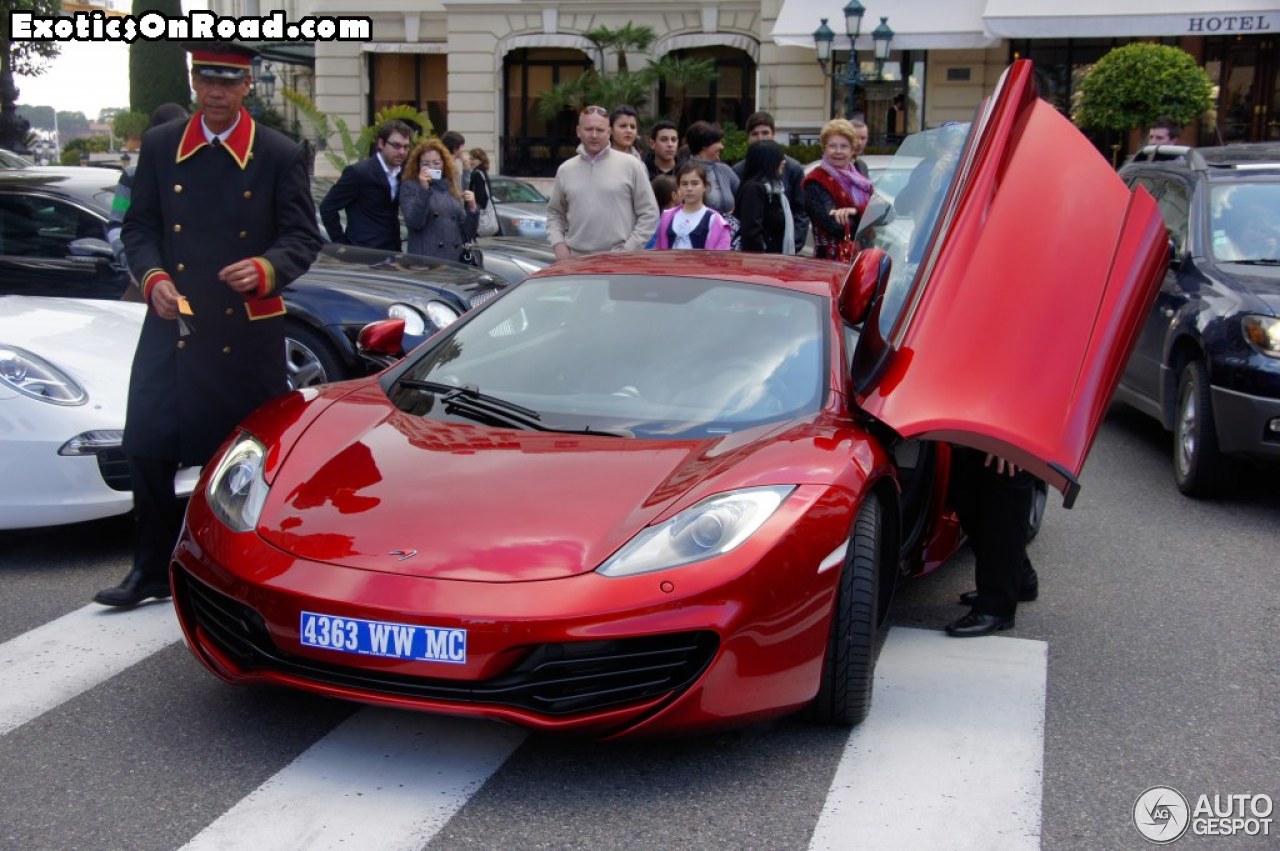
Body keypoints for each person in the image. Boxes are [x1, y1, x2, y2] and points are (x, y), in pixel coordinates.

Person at [94, 42, 322, 608]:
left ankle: (242, 572)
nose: (216, 92)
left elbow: (303, 238)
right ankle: (148, 569)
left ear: (247, 87)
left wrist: (266, 266)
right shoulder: (160, 145)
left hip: (242, 331)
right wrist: (152, 278)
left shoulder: (277, 152)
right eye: (206, 80)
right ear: (195, 83)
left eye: (228, 82)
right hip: (174, 322)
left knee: (247, 458)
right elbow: (139, 227)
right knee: (146, 444)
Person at [944, 449, 1039, 637]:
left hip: (1015, 427)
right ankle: (1020, 578)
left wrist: (1010, 438)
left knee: (1004, 487)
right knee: (965, 489)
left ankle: (996, 608)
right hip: (980, 427)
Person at [546, 105, 659, 261]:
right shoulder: (565, 170)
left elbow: (649, 214)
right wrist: (559, 246)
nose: (594, 135)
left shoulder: (632, 166)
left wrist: (627, 250)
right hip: (575, 264)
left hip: (619, 264)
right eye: (588, 129)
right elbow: (554, 213)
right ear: (578, 131)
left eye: (600, 130)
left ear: (609, 132)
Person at [107, 102, 189, 274]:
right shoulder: (132, 176)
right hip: (148, 274)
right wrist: (134, 265)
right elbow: (116, 225)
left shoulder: (197, 170)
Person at [319, 119, 411, 251]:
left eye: (406, 146)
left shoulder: (403, 174)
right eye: (396, 145)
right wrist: (341, 244)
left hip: (393, 252)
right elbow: (327, 208)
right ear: (381, 143)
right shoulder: (359, 172)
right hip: (362, 254)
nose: (402, 152)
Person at [733, 111, 809, 249]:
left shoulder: (793, 168)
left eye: (765, 133)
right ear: (748, 138)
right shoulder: (740, 172)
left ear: (774, 135)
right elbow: (749, 229)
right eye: (755, 134)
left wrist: (793, 245)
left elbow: (801, 210)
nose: (760, 138)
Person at [802, 118, 873, 260]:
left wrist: (855, 211)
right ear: (824, 148)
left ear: (853, 149)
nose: (838, 151)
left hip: (864, 258)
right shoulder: (815, 181)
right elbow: (836, 226)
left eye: (844, 146)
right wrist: (868, 214)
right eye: (832, 146)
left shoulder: (860, 178)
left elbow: (887, 213)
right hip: (831, 261)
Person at [400, 138, 479, 261]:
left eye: (436, 163)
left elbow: (466, 232)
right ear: (418, 165)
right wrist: (424, 190)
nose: (431, 167)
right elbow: (414, 222)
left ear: (444, 163)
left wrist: (473, 208)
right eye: (426, 164)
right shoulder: (410, 186)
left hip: (454, 261)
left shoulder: (451, 186)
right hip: (427, 263)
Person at [652, 162, 732, 250]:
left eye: (695, 183)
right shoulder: (667, 217)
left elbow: (722, 259)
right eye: (684, 184)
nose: (689, 188)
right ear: (678, 187)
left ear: (705, 186)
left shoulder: (716, 221)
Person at [734, 140, 795, 254]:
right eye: (779, 158)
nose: (784, 162)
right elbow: (751, 233)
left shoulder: (776, 190)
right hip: (762, 263)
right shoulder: (753, 190)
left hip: (776, 259)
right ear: (768, 161)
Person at [684, 120, 738, 218]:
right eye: (717, 142)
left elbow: (744, 197)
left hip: (727, 231)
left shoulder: (725, 170)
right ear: (704, 145)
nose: (722, 146)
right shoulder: (685, 172)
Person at [466, 146, 499, 237]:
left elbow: (480, 195)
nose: (471, 161)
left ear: (481, 160)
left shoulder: (476, 174)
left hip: (477, 211)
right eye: (470, 159)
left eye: (473, 159)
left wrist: (474, 208)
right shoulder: (483, 172)